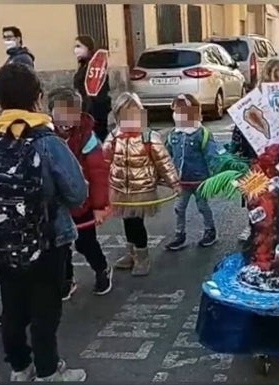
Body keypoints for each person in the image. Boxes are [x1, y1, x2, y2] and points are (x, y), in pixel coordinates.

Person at [0, 63, 87, 381]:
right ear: (38, 98)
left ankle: (19, 367)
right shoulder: (48, 143)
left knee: (12, 307)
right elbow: (77, 193)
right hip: (46, 240)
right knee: (45, 309)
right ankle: (47, 371)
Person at [105, 93, 180, 275]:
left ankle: (142, 256)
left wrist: (174, 183)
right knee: (127, 221)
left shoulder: (149, 137)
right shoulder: (114, 136)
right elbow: (104, 161)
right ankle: (131, 254)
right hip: (120, 189)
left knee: (136, 222)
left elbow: (164, 162)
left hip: (141, 190)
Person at [47, 87, 112, 300]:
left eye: (71, 113)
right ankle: (67, 279)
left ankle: (101, 268)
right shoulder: (45, 135)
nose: (66, 119)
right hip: (57, 206)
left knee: (85, 242)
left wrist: (100, 206)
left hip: (82, 203)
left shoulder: (87, 137)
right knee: (60, 245)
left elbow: (98, 172)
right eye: (60, 113)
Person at [230, 58, 279, 241]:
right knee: (262, 212)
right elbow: (239, 141)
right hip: (260, 165)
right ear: (271, 80)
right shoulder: (253, 103)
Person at [164, 94, 220, 251]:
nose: (177, 115)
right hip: (181, 181)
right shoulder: (173, 135)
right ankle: (179, 234)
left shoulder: (202, 133)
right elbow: (165, 156)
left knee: (202, 206)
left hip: (200, 180)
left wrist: (216, 175)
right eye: (175, 111)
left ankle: (210, 230)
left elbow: (212, 155)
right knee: (179, 208)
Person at [72, 35, 111, 142]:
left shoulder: (94, 67)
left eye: (79, 46)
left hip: (95, 110)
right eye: (75, 47)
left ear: (88, 48)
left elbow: (98, 90)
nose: (76, 50)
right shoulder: (84, 66)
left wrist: (88, 109)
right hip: (86, 109)